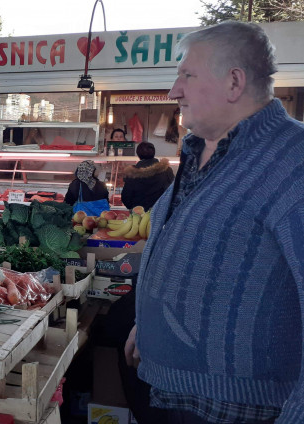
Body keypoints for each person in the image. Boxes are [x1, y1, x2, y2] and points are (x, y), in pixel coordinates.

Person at [124, 21, 304, 423]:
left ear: (234, 82)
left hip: (238, 410)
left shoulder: (294, 160)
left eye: (187, 75)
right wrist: (147, 326)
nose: (174, 91)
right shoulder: (201, 151)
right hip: (171, 393)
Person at [120, 142, 175, 210]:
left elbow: (126, 198)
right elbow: (173, 192)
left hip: (138, 214)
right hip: (160, 212)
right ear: (154, 153)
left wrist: (135, 209)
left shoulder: (132, 173)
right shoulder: (166, 170)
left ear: (138, 154)